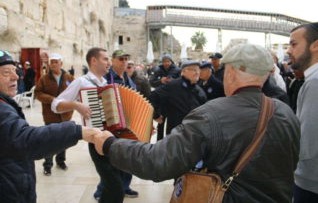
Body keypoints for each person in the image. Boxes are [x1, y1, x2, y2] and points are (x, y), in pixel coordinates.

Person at [87, 43, 300, 203]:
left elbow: (158, 162)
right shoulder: (285, 112)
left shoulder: (210, 114)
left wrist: (110, 145)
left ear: (232, 73)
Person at [0, 49, 94, 203]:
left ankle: (60, 161)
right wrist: (77, 131)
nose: (16, 76)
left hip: (4, 184)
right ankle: (48, 165)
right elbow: (25, 140)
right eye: (6, 72)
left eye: (15, 70)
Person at [50, 47, 128, 203]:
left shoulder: (106, 83)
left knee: (112, 187)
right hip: (96, 140)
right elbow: (55, 104)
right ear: (93, 61)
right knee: (115, 187)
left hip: (113, 138)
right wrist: (76, 105)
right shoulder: (81, 81)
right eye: (105, 59)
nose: (109, 62)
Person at [98, 49, 138, 199]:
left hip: (128, 125)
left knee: (128, 158)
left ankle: (125, 186)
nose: (124, 62)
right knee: (111, 162)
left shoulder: (128, 78)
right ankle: (101, 191)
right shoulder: (106, 78)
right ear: (112, 60)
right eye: (121, 59)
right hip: (112, 125)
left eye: (126, 59)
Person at [287, 22, 318, 202]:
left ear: (315, 45)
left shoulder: (314, 83)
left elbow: (307, 144)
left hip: (310, 184)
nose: (289, 50)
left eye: (294, 44)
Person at [34, 53, 75, 176]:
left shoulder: (69, 78)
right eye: (51, 62)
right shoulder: (44, 79)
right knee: (50, 139)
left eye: (56, 62)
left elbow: (76, 92)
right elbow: (38, 93)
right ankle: (47, 164)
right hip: (50, 114)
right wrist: (51, 99)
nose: (53, 64)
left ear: (61, 64)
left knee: (63, 139)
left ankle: (61, 161)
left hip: (65, 114)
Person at [149, 60, 207, 135]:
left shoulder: (199, 90)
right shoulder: (173, 86)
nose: (197, 72)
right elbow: (153, 97)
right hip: (176, 134)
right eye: (193, 70)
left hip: (194, 133)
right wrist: (156, 115)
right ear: (184, 72)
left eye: (198, 70)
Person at [149, 54, 181, 140]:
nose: (166, 63)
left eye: (168, 61)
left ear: (171, 61)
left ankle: (169, 143)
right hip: (161, 100)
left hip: (173, 101)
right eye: (164, 61)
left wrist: (172, 82)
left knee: (171, 125)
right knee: (160, 123)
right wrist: (160, 81)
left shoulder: (177, 70)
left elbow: (181, 82)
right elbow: (151, 82)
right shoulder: (158, 70)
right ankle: (159, 143)